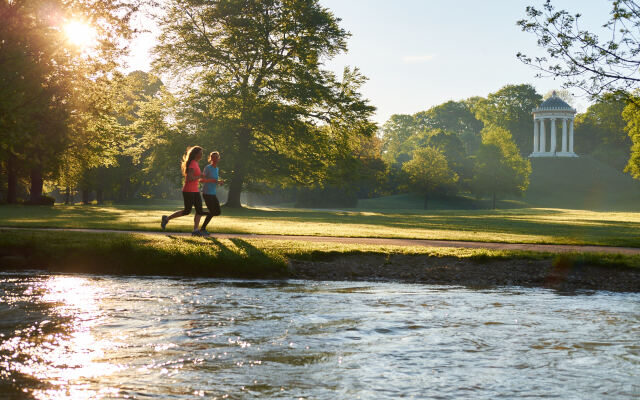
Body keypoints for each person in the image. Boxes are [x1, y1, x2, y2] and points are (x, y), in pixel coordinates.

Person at [161, 146, 209, 236]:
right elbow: (190, 178)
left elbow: (194, 178)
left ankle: (195, 230)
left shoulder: (195, 163)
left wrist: (201, 178)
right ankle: (166, 219)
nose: (201, 155)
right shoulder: (192, 164)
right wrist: (200, 176)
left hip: (195, 190)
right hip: (189, 191)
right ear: (195, 154)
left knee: (199, 210)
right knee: (187, 211)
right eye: (200, 153)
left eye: (202, 153)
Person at [199, 151, 224, 236]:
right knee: (213, 211)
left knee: (217, 212)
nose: (215, 159)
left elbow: (214, 180)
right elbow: (201, 180)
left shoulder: (217, 169)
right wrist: (212, 180)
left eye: (216, 157)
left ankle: (201, 212)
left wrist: (219, 182)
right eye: (213, 157)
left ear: (219, 158)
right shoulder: (207, 168)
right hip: (206, 192)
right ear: (210, 158)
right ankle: (202, 229)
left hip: (213, 193)